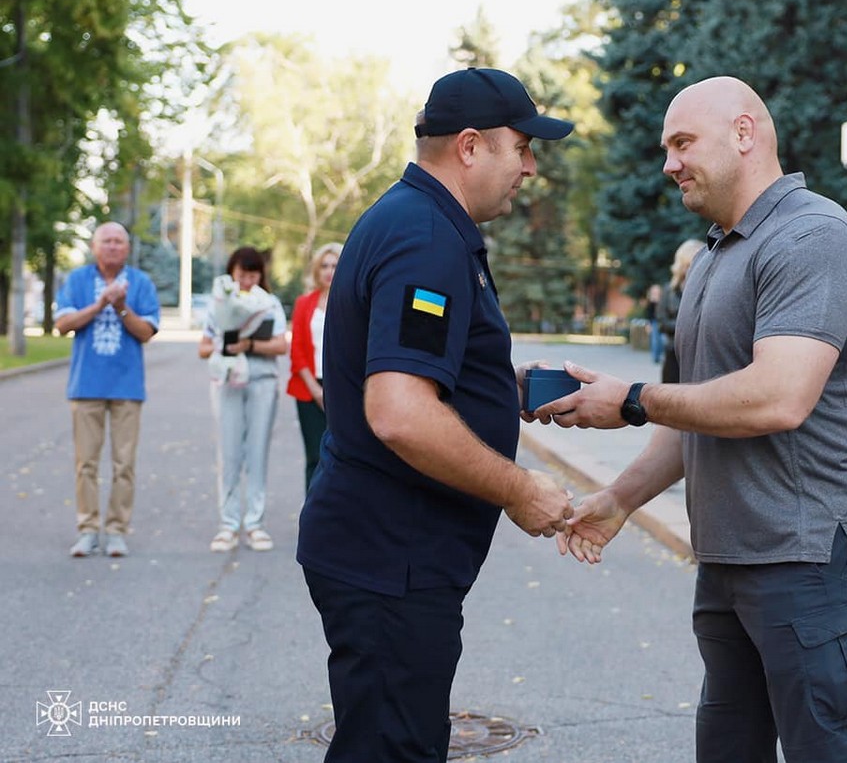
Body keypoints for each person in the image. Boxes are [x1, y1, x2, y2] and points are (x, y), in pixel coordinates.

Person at [532, 76, 847, 762]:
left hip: (813, 556)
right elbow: (698, 411)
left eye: (682, 143)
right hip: (731, 560)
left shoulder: (812, 237)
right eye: (666, 148)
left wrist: (635, 399)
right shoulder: (712, 256)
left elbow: (776, 397)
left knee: (827, 753)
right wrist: (620, 498)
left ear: (743, 133)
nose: (668, 163)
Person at [296, 67, 577, 763]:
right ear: (473, 146)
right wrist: (521, 489)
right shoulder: (425, 237)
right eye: (523, 147)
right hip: (391, 560)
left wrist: (509, 389)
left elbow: (421, 374)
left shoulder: (422, 221)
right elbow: (400, 412)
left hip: (390, 557)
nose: (531, 167)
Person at [54, 222, 161, 558]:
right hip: (85, 385)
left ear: (127, 248)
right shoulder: (77, 280)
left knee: (123, 463)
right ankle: (87, 528)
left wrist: (121, 306)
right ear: (94, 246)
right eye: (107, 241)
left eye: (119, 241)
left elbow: (146, 332)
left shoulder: (140, 283)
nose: (113, 246)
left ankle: (116, 529)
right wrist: (100, 303)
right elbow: (62, 324)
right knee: (85, 463)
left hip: (127, 387)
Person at [198, 247, 288, 553]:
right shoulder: (219, 303)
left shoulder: (269, 304)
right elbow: (203, 347)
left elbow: (279, 345)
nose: (247, 280)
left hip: (261, 381)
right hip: (227, 382)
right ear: (232, 273)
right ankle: (228, 524)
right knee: (229, 453)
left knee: (257, 452)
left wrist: (250, 344)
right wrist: (225, 345)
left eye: (253, 274)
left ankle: (255, 524)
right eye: (241, 274)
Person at [287, 242, 343, 492]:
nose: (329, 271)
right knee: (314, 455)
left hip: (342, 387)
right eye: (324, 266)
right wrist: (315, 390)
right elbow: (297, 349)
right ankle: (313, 514)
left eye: (335, 265)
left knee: (343, 456)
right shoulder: (304, 303)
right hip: (308, 389)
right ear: (317, 271)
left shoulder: (351, 302)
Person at [657, 238, 705, 383]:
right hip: (674, 353)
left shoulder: (707, 288)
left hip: (700, 355)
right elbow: (662, 323)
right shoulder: (669, 291)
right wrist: (687, 326)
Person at [645, 283, 664, 364]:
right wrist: (648, 324)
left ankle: (659, 355)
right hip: (654, 322)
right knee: (654, 339)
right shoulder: (650, 301)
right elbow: (648, 314)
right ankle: (655, 357)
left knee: (662, 339)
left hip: (662, 322)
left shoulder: (663, 300)